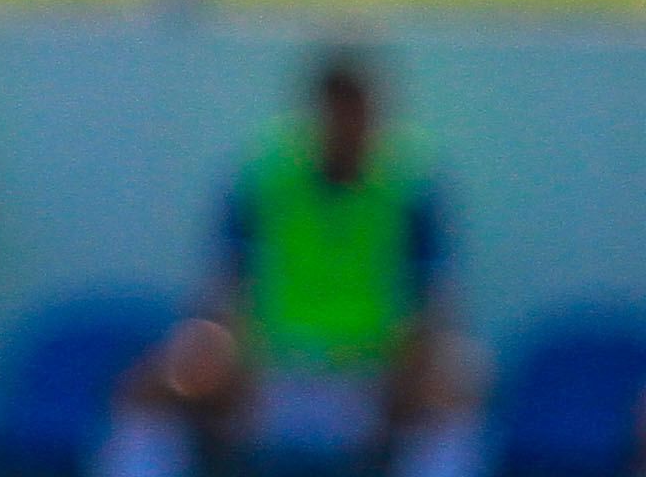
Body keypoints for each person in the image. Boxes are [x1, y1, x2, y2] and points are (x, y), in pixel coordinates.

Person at [99, 48, 485, 477]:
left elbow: (434, 302)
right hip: (269, 373)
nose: (344, 123)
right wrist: (218, 356)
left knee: (455, 392)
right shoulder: (266, 173)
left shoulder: (412, 181)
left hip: (372, 377)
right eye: (333, 107)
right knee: (150, 389)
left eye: (355, 108)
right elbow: (224, 290)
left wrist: (411, 370)